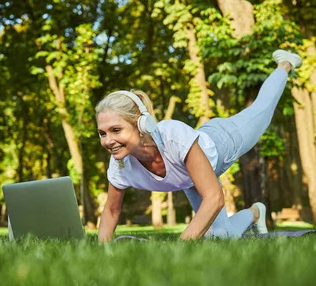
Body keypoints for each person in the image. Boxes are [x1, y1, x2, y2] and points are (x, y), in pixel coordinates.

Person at [95, 49, 302, 242]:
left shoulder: (172, 136)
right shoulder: (120, 165)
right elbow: (112, 210)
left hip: (221, 141)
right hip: (192, 178)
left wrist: (181, 249)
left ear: (142, 124)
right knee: (220, 237)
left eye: (116, 130)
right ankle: (255, 213)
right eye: (102, 133)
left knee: (261, 112)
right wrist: (102, 252)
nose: (107, 141)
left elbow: (214, 197)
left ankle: (285, 64)